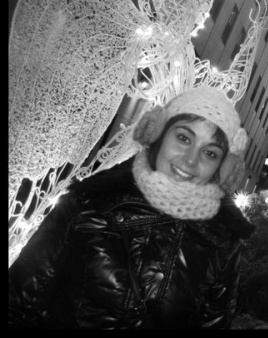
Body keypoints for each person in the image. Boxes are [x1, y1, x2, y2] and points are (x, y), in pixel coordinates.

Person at [8, 85, 255, 329]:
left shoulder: (223, 245)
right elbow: (18, 304)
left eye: (210, 153)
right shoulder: (87, 202)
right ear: (157, 132)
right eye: (183, 138)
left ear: (224, 168)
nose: (191, 160)